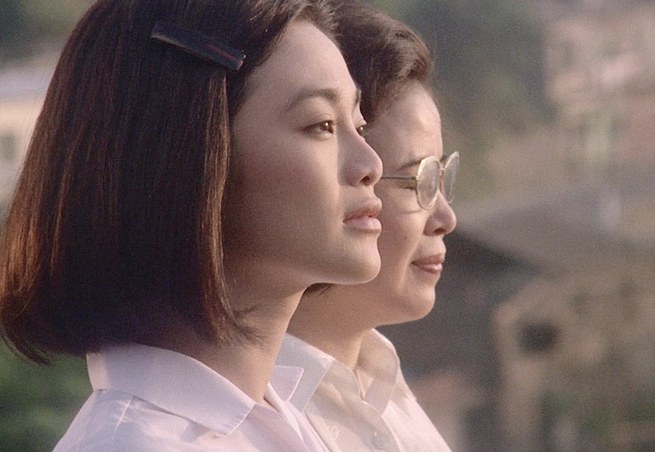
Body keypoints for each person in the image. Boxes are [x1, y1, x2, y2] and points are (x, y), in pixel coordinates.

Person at [0, 0, 384, 450]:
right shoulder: (135, 444)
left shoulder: (288, 423)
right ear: (187, 155)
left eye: (359, 125)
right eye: (321, 124)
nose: (371, 165)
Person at [276, 1, 457, 450]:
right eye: (419, 182)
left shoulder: (386, 387)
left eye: (442, 178)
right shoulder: (242, 423)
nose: (445, 220)